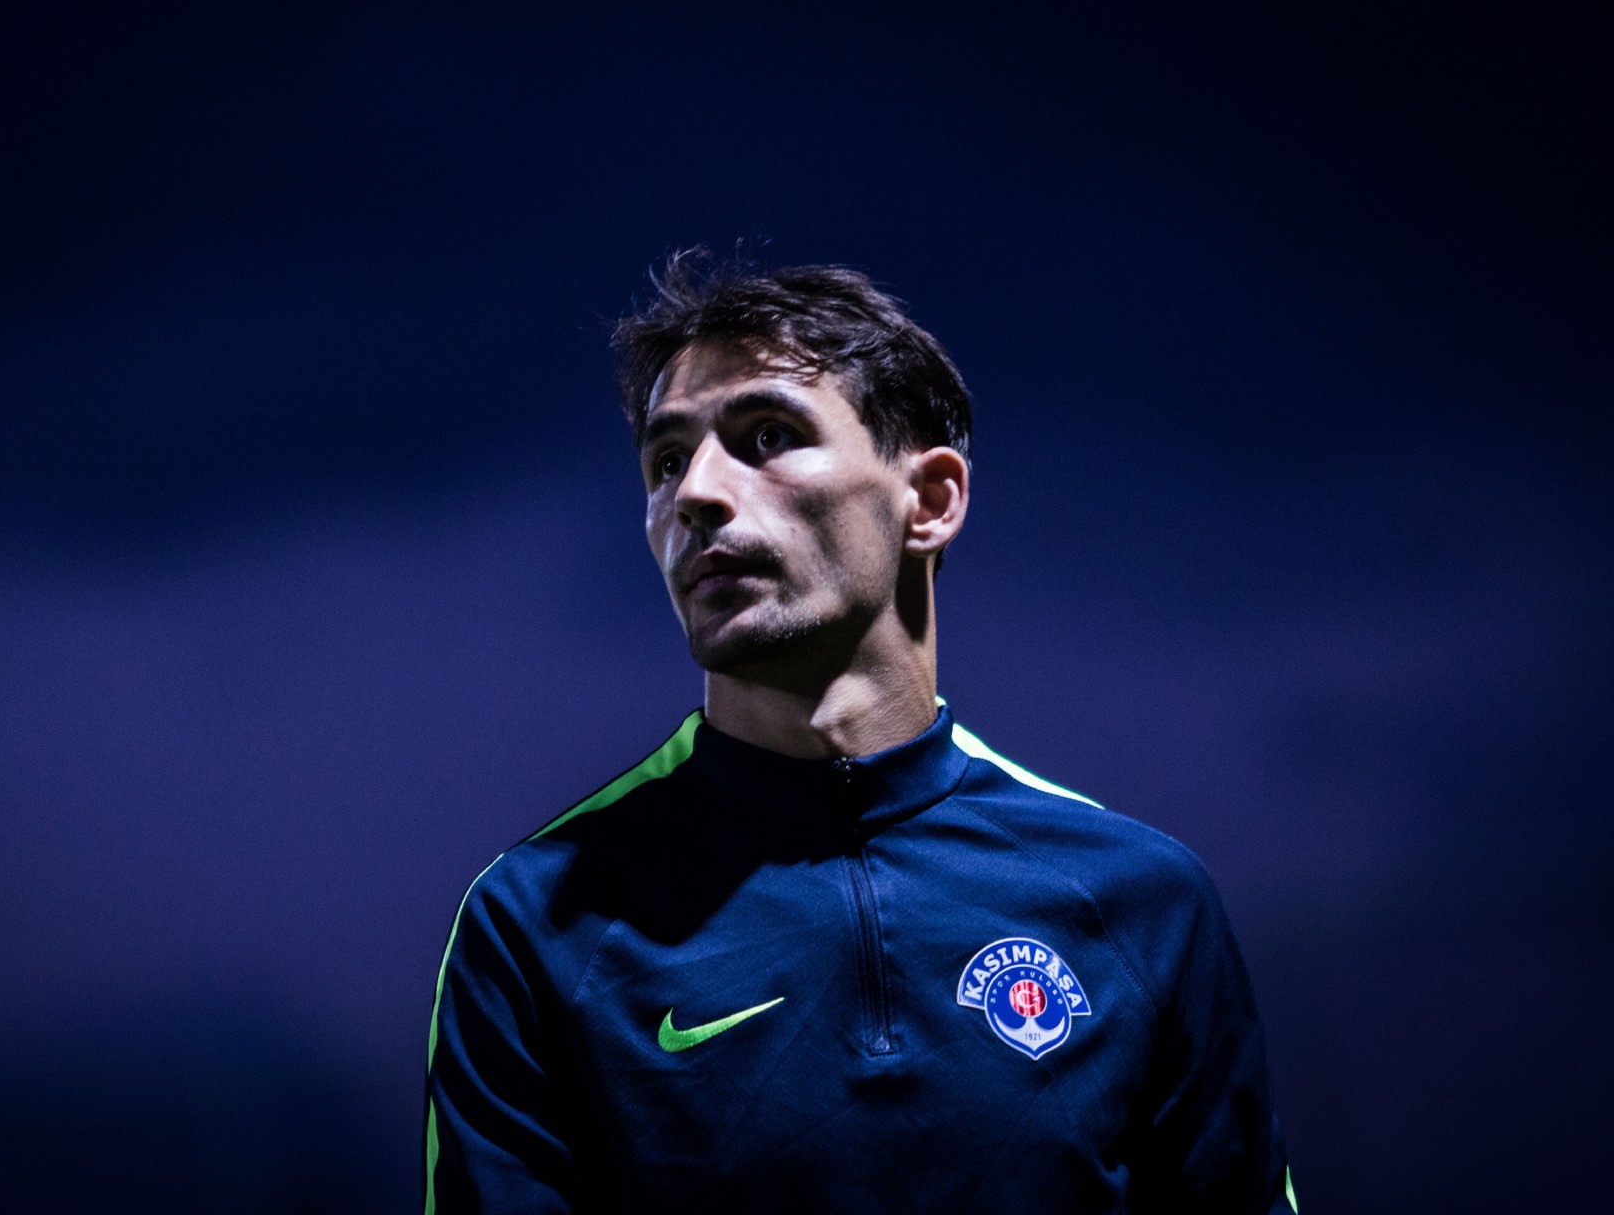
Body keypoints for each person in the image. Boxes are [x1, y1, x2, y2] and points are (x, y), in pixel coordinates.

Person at [422, 254, 1296, 1213]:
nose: (696, 493)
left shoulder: (1141, 902)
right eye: (666, 461)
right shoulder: (538, 921)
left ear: (931, 501)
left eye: (766, 436)